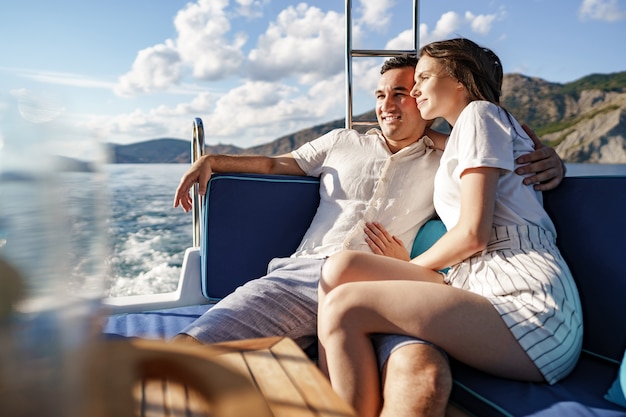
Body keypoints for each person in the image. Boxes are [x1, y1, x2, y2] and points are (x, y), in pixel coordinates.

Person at [173, 55, 564, 416]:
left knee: (423, 380)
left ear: (424, 102)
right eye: (380, 95)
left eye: (401, 93)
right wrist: (212, 159)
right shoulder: (341, 140)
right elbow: (277, 163)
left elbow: (503, 148)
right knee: (182, 356)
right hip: (300, 278)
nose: (387, 104)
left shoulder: (449, 154)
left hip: (391, 287)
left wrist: (552, 159)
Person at [317, 39, 583, 417]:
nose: (415, 89)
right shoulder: (467, 132)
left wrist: (412, 266)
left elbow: (474, 234)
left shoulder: (480, 115)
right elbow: (429, 139)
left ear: (460, 80)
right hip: (477, 285)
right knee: (340, 267)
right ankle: (341, 397)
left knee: (346, 306)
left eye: (423, 77)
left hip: (528, 305)